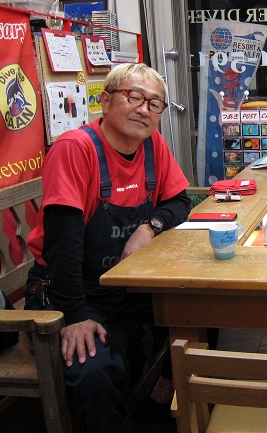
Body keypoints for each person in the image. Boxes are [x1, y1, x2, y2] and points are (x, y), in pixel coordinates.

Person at [25, 63, 191, 433]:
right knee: (94, 372)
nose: (144, 109)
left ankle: (161, 402)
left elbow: (179, 201)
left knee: (200, 309)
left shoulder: (152, 145)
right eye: (134, 97)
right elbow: (63, 246)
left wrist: (149, 227)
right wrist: (74, 315)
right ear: (105, 100)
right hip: (71, 289)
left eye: (154, 103)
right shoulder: (75, 149)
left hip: (128, 283)